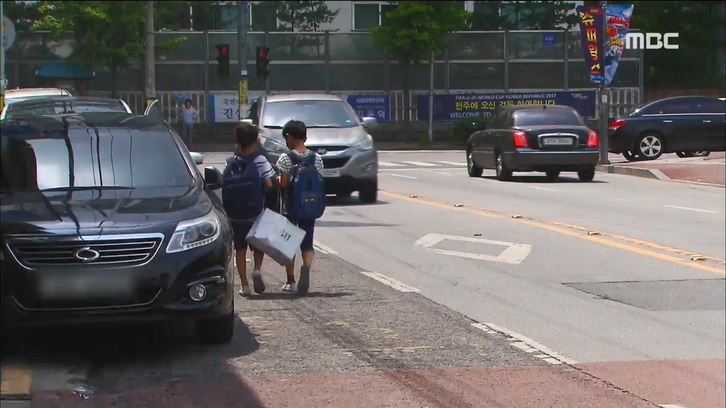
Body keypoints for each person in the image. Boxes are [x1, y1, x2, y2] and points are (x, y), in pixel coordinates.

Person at [222, 123, 275, 296]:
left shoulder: (231, 162)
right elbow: (269, 184)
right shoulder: (260, 160)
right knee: (258, 245)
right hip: (255, 212)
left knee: (240, 249)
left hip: (235, 214)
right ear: (256, 140)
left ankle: (244, 286)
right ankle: (257, 269)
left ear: (237, 141)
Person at [275, 120, 325, 296]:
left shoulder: (286, 158)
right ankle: (306, 266)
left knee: (289, 242)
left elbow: (283, 184)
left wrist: (278, 181)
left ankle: (291, 281)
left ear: (288, 137)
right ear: (305, 137)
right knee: (308, 241)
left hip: (290, 206)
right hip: (309, 205)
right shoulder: (316, 158)